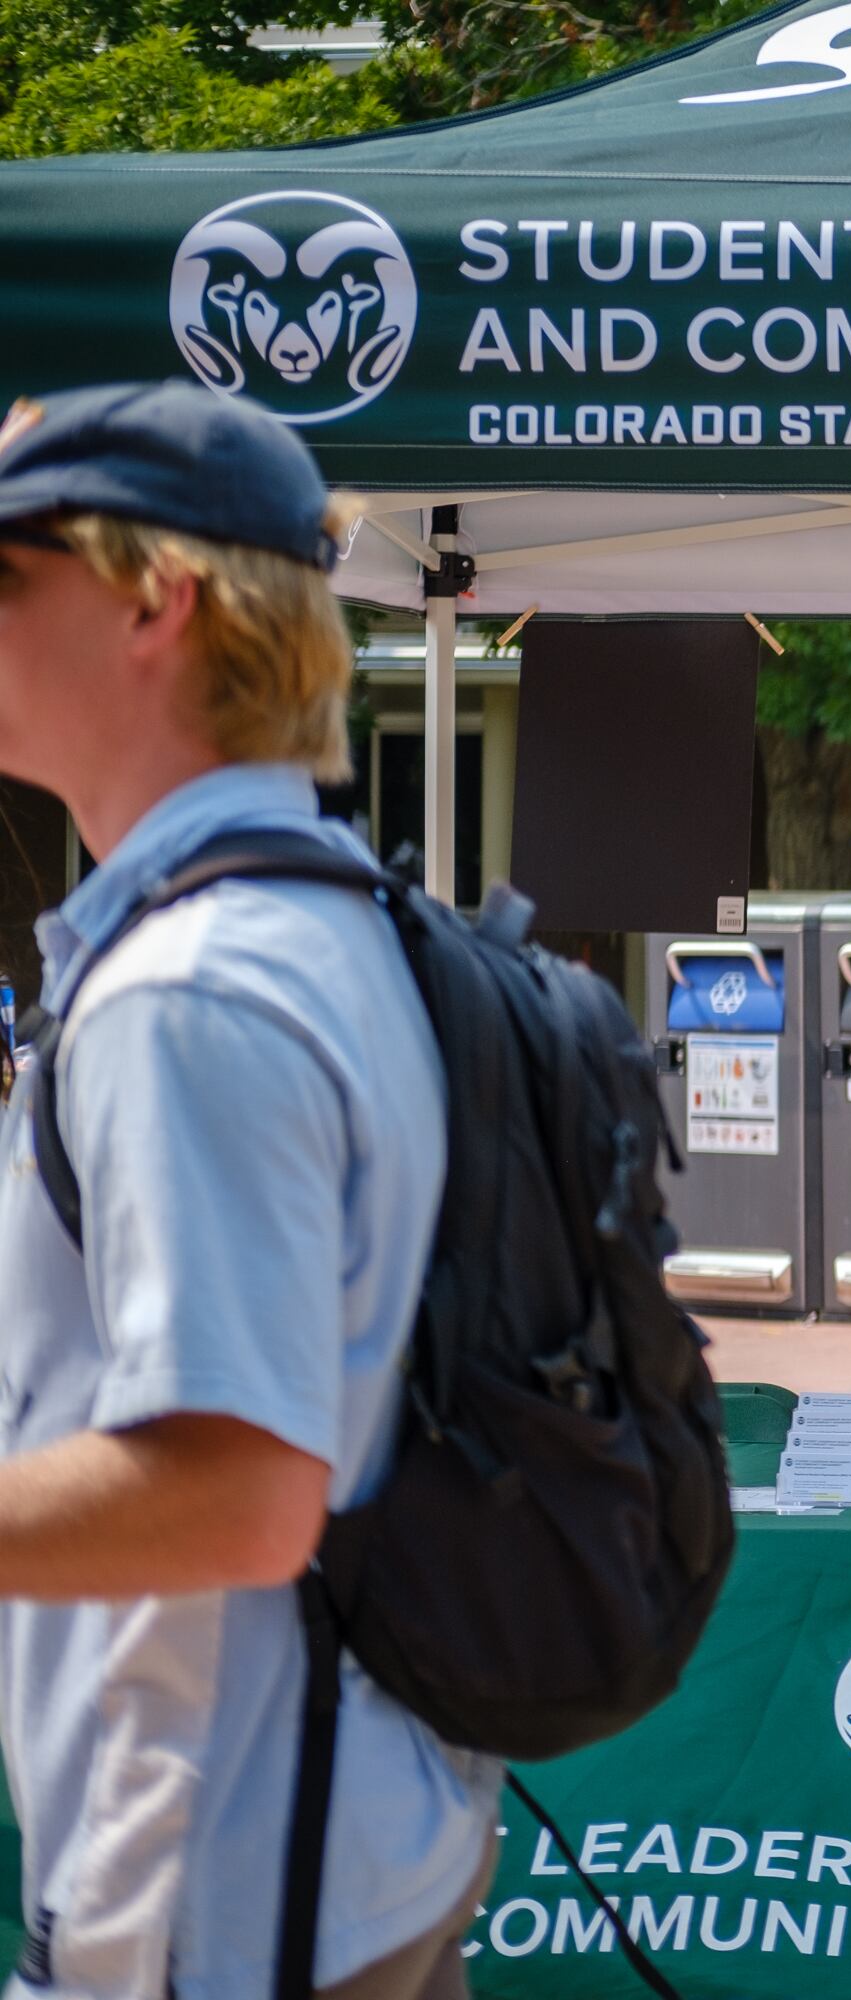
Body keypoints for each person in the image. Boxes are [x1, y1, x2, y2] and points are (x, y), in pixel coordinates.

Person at [0, 383, 498, 1998]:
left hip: (221, 1883)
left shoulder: (188, 992)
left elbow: (241, 1487)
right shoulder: (328, 917)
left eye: (10, 574)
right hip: (339, 1838)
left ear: (160, 598)